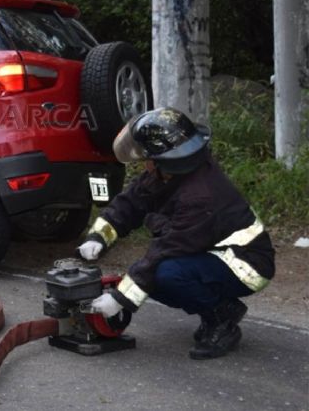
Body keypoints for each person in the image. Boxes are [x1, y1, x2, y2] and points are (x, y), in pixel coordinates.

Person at [78, 108, 275, 360]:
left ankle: (221, 320)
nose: (145, 165)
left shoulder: (200, 196)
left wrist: (120, 299)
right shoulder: (170, 173)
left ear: (166, 161)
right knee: (151, 276)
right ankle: (222, 306)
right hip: (213, 253)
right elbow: (130, 203)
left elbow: (165, 250)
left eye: (148, 159)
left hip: (247, 264)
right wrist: (99, 236)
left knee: (164, 275)